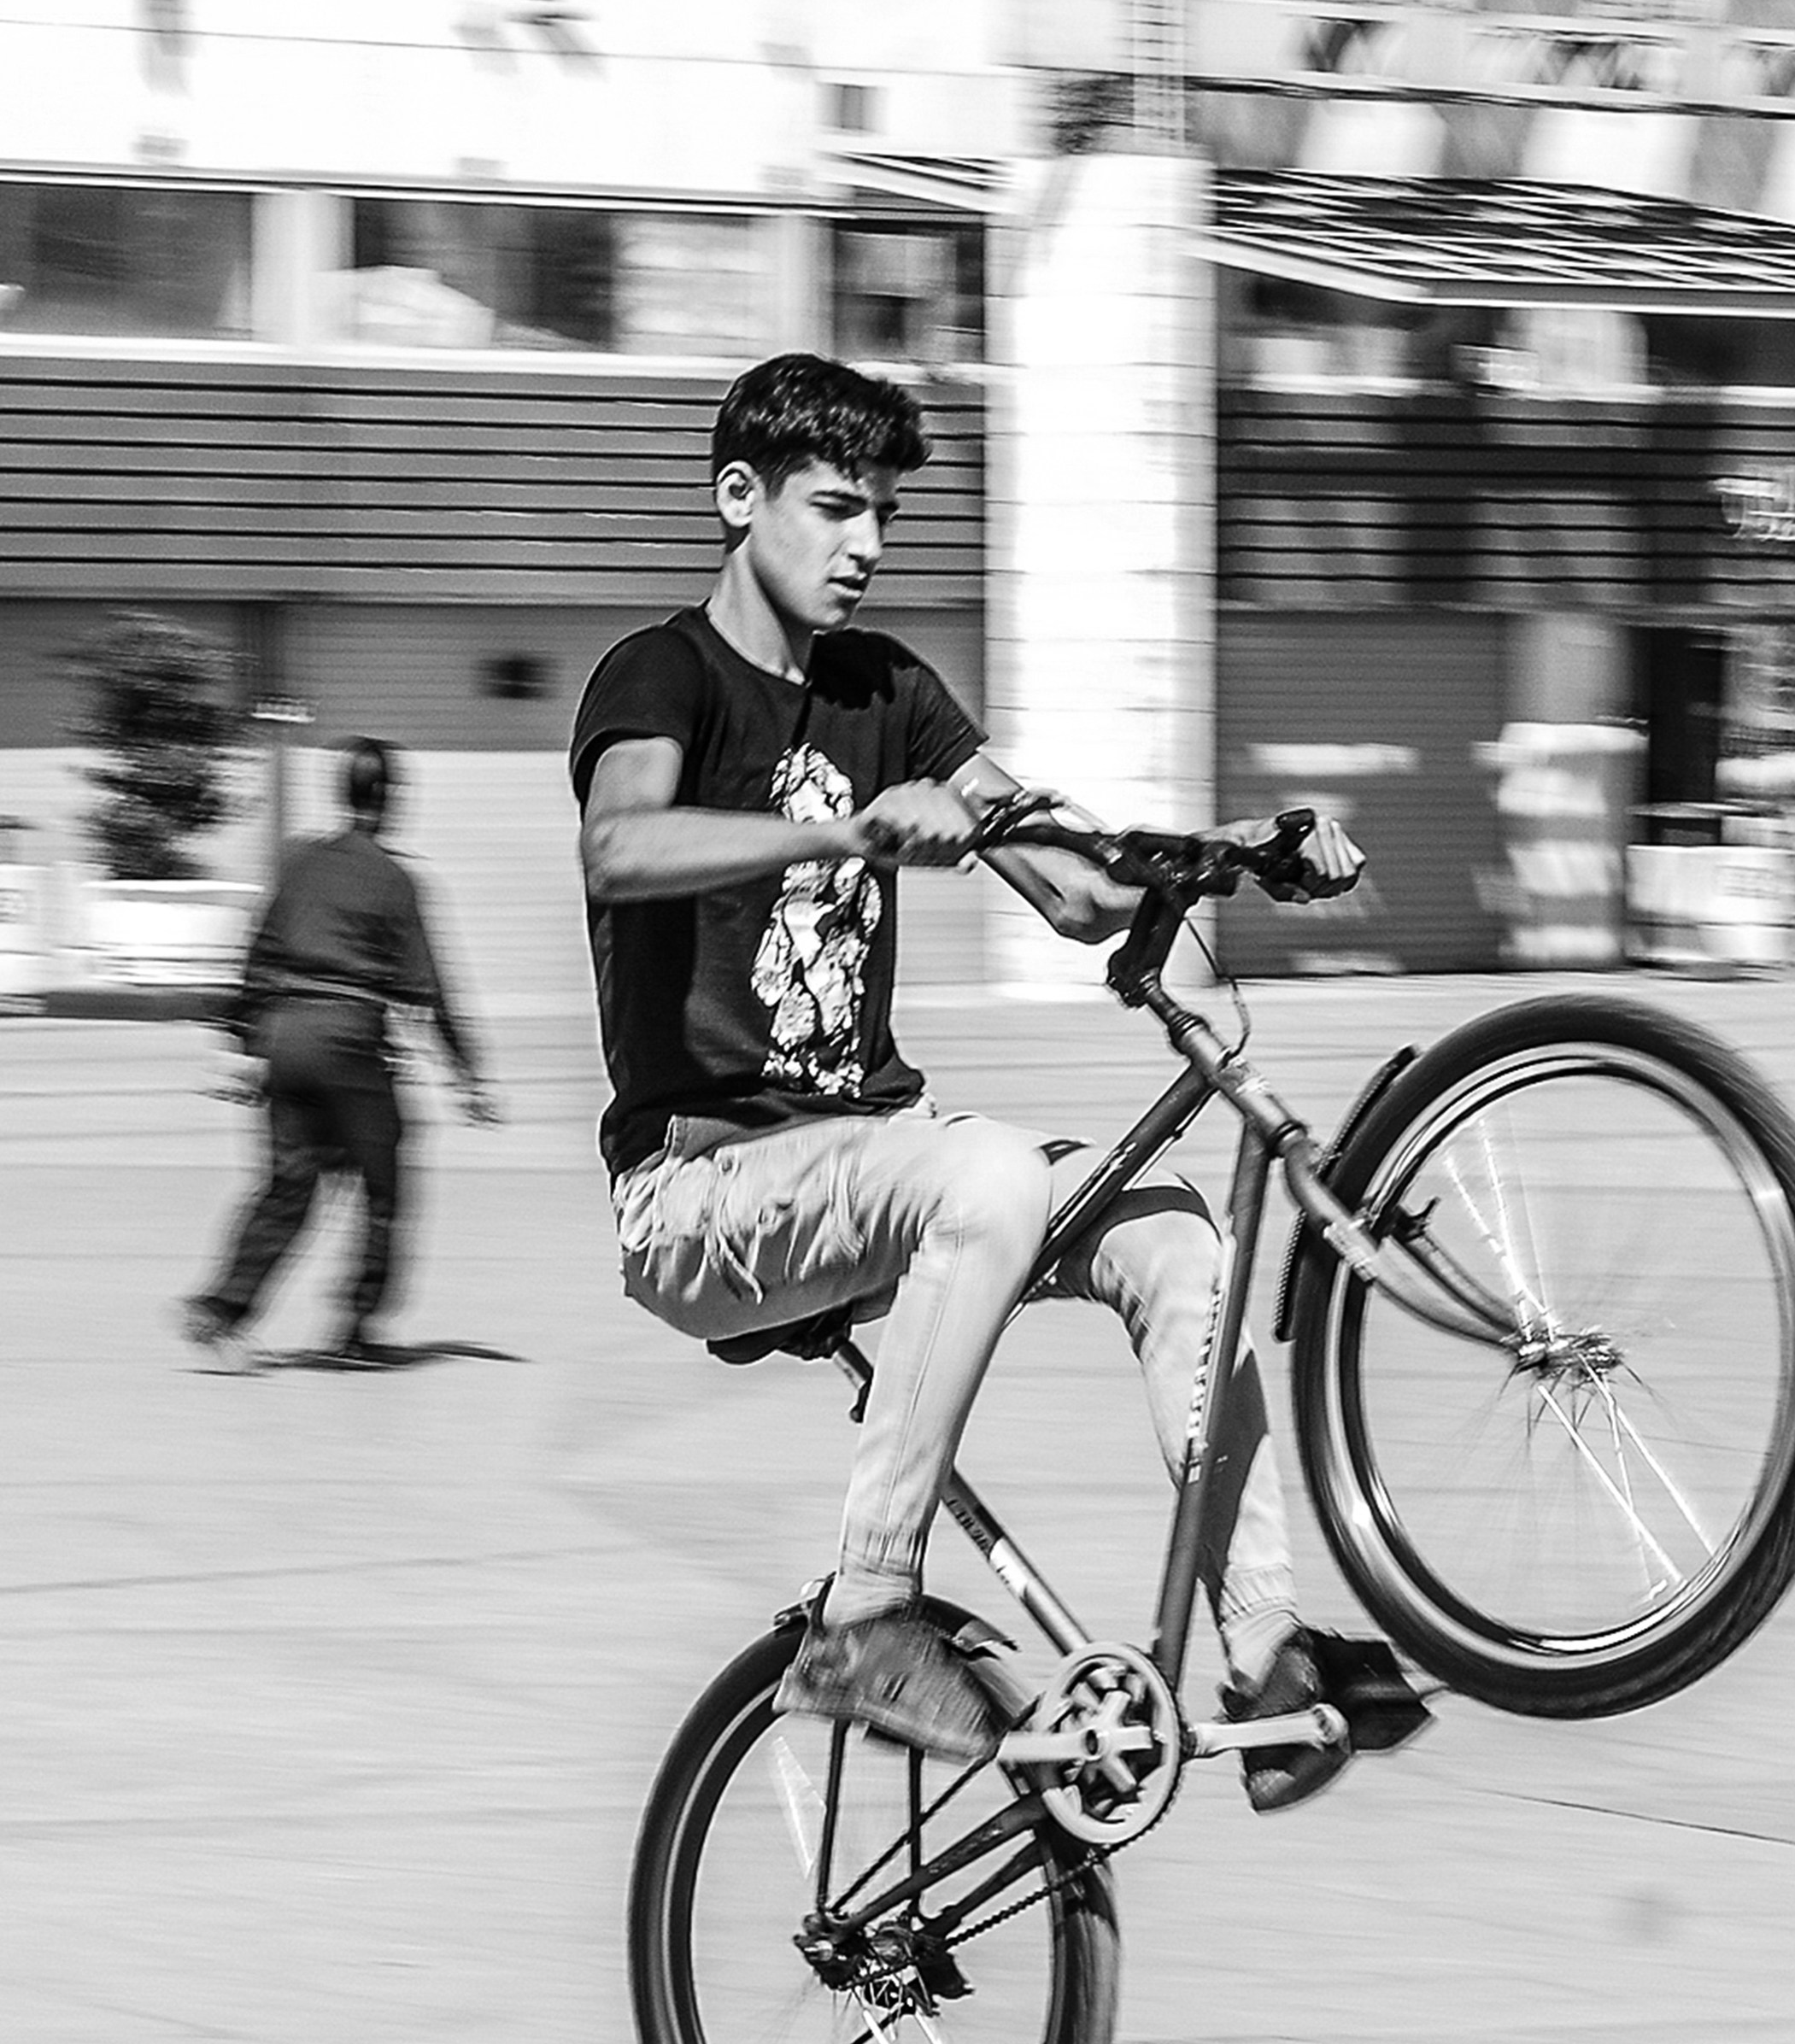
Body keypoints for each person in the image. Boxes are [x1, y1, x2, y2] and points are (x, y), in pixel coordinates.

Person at [570, 353, 1424, 1807]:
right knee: (985, 1172)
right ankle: (865, 1610)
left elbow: (1072, 885)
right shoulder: (663, 672)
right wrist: (843, 835)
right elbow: (619, 846)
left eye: (886, 513)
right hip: (700, 1188)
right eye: (836, 507)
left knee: (1170, 1229)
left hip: (872, 1164)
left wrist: (1229, 848)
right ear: (739, 497)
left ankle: (1265, 1650)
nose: (867, 543)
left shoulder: (891, 691)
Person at [183, 736, 498, 1371]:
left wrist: (239, 1041)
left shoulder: (299, 862)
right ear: (390, 798)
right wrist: (468, 1074)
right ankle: (355, 1325)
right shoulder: (395, 880)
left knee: (289, 1184)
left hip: (283, 1040)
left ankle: (223, 1308)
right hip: (348, 1041)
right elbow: (429, 988)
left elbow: (257, 953)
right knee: (383, 1187)